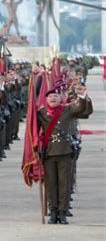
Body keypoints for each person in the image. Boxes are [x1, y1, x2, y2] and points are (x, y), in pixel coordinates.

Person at [37, 85, 92, 225]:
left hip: (65, 151)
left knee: (64, 183)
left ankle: (62, 212)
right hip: (49, 152)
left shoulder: (67, 109)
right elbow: (33, 129)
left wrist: (82, 96)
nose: (53, 98)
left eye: (55, 96)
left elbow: (83, 110)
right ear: (46, 99)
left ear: (60, 98)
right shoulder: (41, 112)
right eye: (50, 97)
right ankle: (53, 211)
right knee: (51, 184)